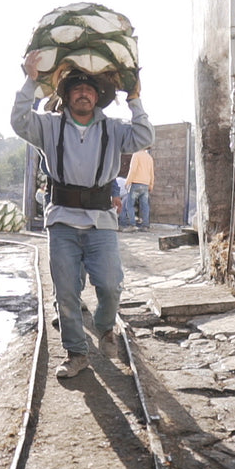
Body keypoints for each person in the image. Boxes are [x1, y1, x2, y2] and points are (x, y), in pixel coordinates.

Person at [12, 50, 154, 379]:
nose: (84, 92)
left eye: (90, 89)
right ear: (67, 95)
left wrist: (135, 99)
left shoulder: (114, 129)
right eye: (76, 87)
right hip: (61, 219)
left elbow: (145, 137)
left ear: (98, 98)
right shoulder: (48, 127)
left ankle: (105, 328)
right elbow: (19, 121)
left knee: (110, 285)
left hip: (101, 221)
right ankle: (76, 352)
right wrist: (30, 82)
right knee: (65, 292)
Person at [125, 147, 154, 232]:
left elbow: (132, 170)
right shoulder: (149, 157)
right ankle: (145, 226)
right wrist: (151, 185)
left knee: (129, 204)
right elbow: (152, 173)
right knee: (145, 205)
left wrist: (127, 181)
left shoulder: (136, 155)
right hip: (145, 185)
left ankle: (132, 225)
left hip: (136, 183)